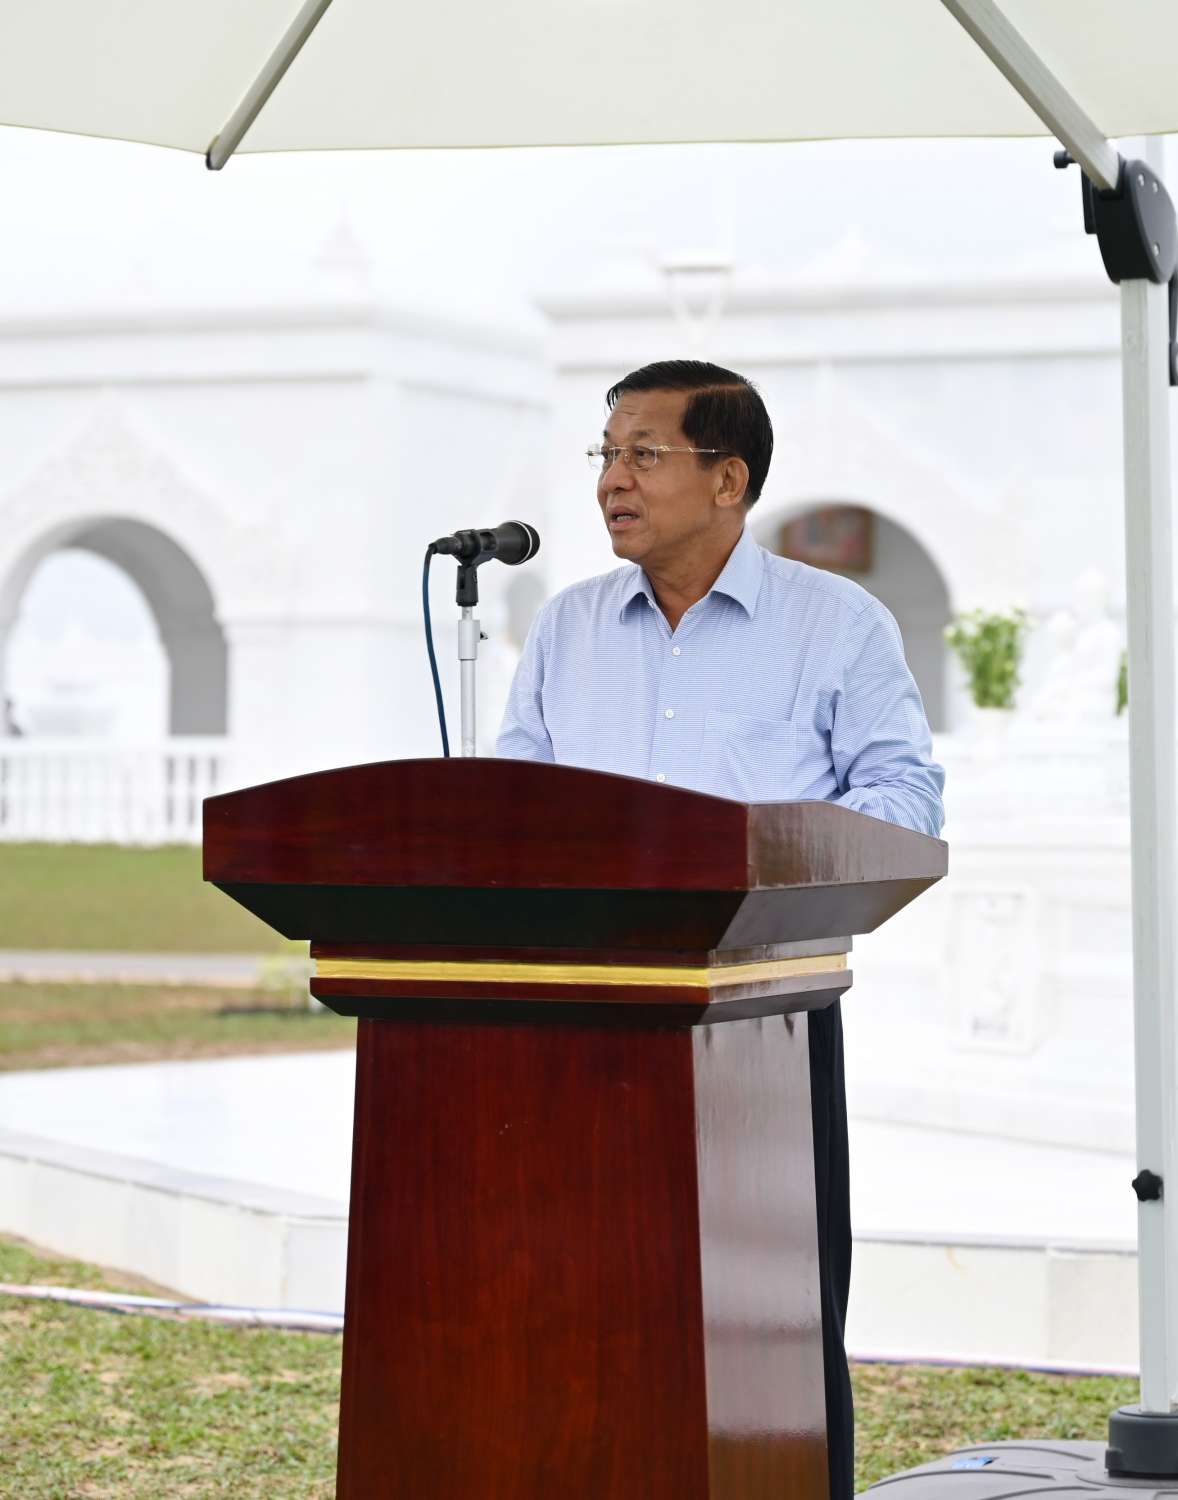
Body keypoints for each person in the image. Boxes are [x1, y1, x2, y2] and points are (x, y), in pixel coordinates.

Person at [497, 358, 945, 1500]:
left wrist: (764, 852)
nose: (612, 480)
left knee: (768, 1319)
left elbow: (904, 804)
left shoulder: (833, 624)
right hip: (574, 1024)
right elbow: (515, 809)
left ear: (728, 479)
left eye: (643, 454)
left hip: (762, 1024)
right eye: (605, 454)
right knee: (581, 1307)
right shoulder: (566, 629)